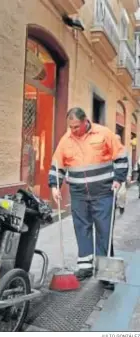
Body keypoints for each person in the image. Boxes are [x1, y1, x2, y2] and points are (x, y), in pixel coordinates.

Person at [48, 107, 128, 289]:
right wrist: (54, 186)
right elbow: (57, 164)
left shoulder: (104, 133)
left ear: (85, 122)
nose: (73, 130)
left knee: (103, 231)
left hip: (104, 192)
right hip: (78, 194)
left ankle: (106, 273)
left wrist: (118, 179)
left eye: (76, 127)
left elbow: (121, 156)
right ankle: (85, 266)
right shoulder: (66, 140)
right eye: (70, 127)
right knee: (81, 228)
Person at [115, 134, 132, 215]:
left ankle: (121, 206)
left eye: (117, 140)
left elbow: (130, 163)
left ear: (120, 140)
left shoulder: (125, 150)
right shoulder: (112, 150)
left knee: (121, 193)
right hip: (114, 176)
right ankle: (114, 205)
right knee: (114, 193)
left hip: (123, 176)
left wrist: (129, 175)